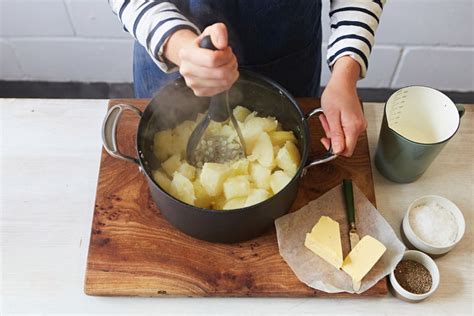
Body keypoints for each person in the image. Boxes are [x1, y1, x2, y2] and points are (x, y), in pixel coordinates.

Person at [109, 0, 385, 157]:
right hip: (171, 48)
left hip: (287, 52)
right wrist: (179, 46)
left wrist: (345, 72)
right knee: (155, 144)